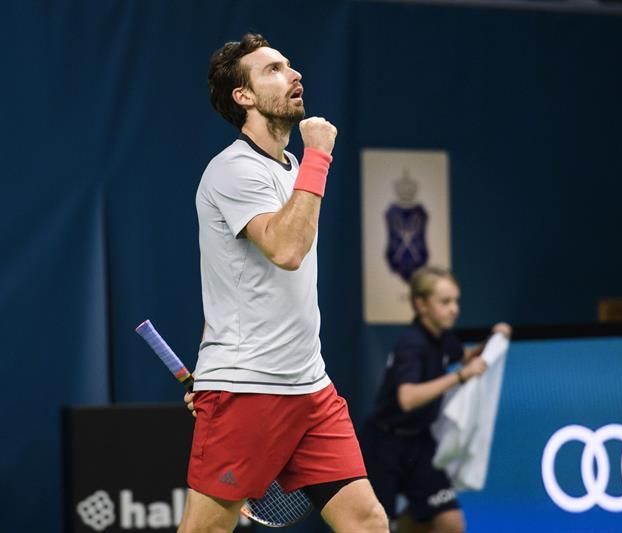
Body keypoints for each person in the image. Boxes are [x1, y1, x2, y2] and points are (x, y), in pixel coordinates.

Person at [180, 33, 388, 533]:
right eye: (273, 69)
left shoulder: (291, 168)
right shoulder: (232, 170)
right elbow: (287, 250)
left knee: (367, 521)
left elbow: (242, 282)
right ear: (243, 97)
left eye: (290, 65)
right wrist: (320, 154)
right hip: (248, 389)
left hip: (310, 386)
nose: (293, 75)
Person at [359, 266, 511, 532]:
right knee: (376, 524)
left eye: (456, 301)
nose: (454, 308)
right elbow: (407, 398)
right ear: (421, 305)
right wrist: (460, 377)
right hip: (383, 445)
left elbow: (468, 357)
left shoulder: (442, 338)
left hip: (419, 444)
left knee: (450, 522)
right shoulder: (411, 344)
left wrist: (495, 340)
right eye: (445, 302)